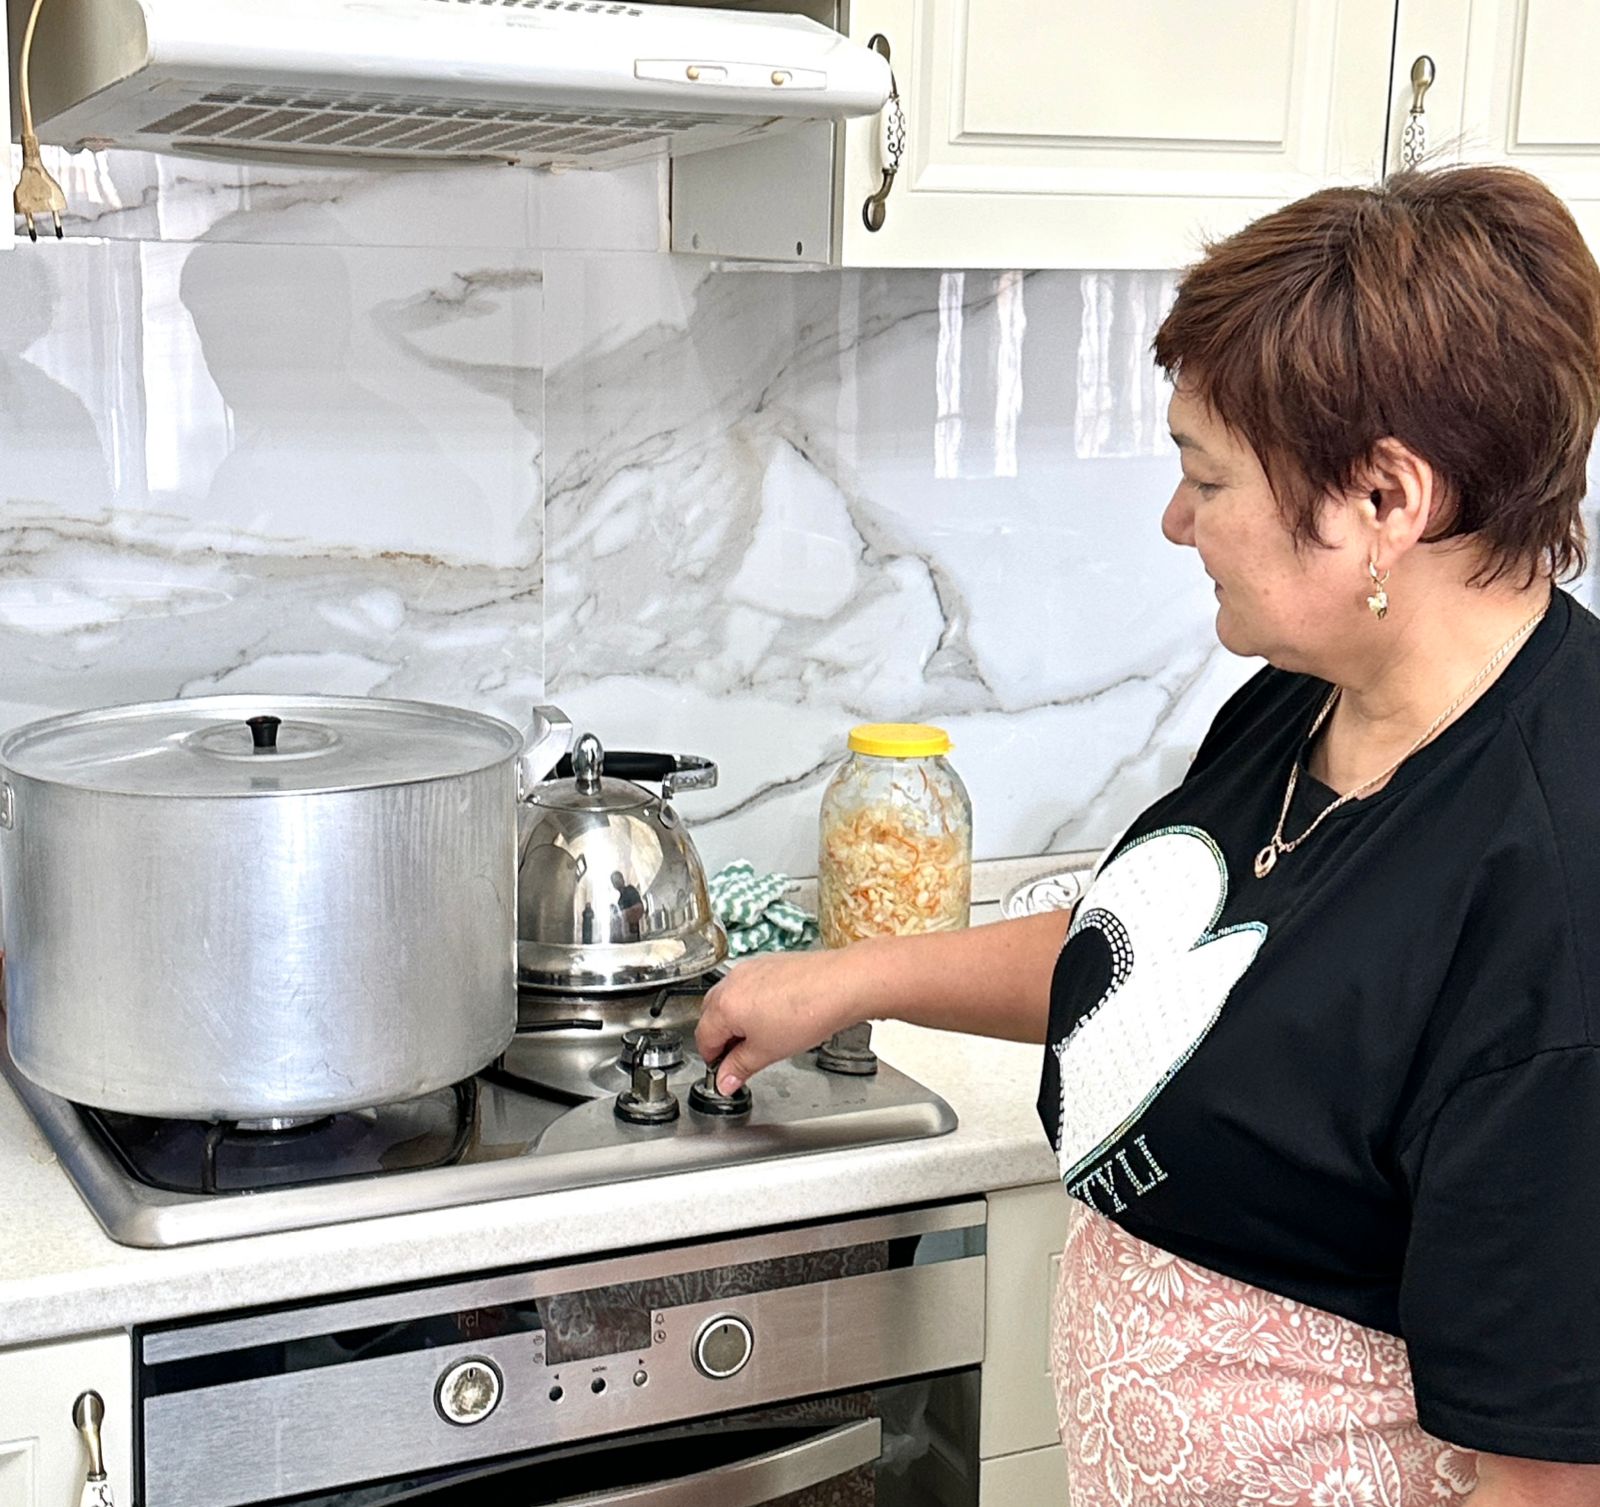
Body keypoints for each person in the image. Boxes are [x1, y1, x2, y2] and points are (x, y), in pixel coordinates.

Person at [697, 165, 1600, 1505]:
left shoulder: (1554, 890)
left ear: (1385, 502)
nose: (1178, 522)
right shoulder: (1308, 696)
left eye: (1206, 475)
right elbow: (1170, 966)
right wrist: (851, 979)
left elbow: (1550, 1474)